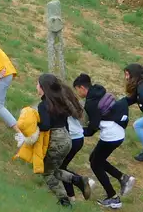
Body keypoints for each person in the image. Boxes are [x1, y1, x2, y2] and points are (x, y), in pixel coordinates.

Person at [14, 74, 91, 207]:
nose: (36, 87)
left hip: (56, 140)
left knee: (46, 173)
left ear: (43, 88)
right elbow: (66, 122)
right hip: (67, 139)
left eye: (38, 84)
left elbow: (46, 126)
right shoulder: (60, 101)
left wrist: (33, 125)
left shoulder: (44, 105)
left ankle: (65, 202)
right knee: (53, 169)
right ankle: (78, 180)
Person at [74, 73, 136, 210]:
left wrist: (77, 131)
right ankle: (123, 178)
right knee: (95, 159)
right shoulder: (99, 91)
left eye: (77, 90)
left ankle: (113, 198)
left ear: (82, 88)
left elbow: (93, 128)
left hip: (110, 136)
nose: (77, 93)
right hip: (118, 131)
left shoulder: (90, 103)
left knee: (95, 164)